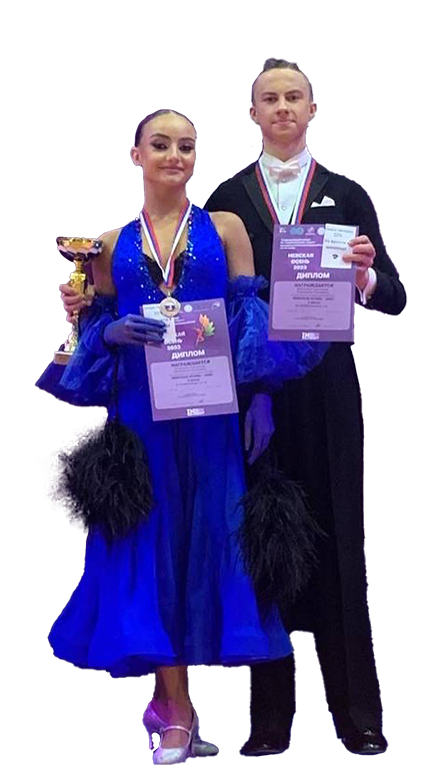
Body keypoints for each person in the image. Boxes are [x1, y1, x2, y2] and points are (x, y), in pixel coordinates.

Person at [39, 109, 329, 765]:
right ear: (136, 154)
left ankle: (170, 706)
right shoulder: (108, 244)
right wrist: (108, 330)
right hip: (141, 416)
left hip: (209, 411)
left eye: (187, 146)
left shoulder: (225, 229)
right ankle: (175, 711)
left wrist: (262, 399)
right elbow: (90, 338)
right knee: (148, 546)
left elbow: (250, 319)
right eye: (161, 144)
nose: (175, 155)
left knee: (203, 545)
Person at [202, 58, 407, 755]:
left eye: (294, 96)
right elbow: (213, 298)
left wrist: (365, 275)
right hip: (258, 388)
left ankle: (358, 716)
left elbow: (393, 297)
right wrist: (250, 389)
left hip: (327, 383)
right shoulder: (228, 196)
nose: (283, 107)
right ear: (254, 114)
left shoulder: (345, 192)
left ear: (312, 110)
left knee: (341, 539)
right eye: (270, 98)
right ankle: (268, 720)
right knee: (265, 538)